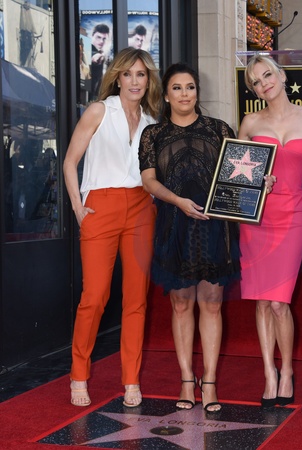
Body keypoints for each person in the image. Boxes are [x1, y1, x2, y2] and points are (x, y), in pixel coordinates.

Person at [139, 63, 240, 413]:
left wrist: (261, 184)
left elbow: (237, 178)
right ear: (166, 95)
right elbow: (149, 181)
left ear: (197, 91)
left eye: (191, 87)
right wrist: (178, 201)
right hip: (174, 225)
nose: (185, 94)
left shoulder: (219, 129)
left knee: (211, 303)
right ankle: (186, 379)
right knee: (181, 304)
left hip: (214, 226)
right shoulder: (153, 134)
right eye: (177, 88)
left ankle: (209, 381)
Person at [63, 48, 161, 407]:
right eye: (128, 74)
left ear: (148, 80)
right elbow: (70, 161)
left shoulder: (152, 122)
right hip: (100, 206)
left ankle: (131, 379)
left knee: (136, 299)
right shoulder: (99, 111)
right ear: (117, 78)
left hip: (141, 208)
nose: (135, 81)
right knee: (95, 296)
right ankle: (78, 374)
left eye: (141, 74)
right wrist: (78, 207)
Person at [238, 54, 302, 407]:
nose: (264, 83)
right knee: (261, 300)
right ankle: (269, 373)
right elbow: (235, 178)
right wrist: (257, 180)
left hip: (293, 216)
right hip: (257, 220)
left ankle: (287, 371)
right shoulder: (250, 121)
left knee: (279, 302)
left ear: (282, 75)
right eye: (256, 82)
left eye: (267, 75)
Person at [90, 23, 110, 98]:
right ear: (92, 36)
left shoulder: (101, 52)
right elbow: (93, 56)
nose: (101, 41)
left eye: (104, 39)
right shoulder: (89, 50)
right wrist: (97, 57)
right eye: (98, 37)